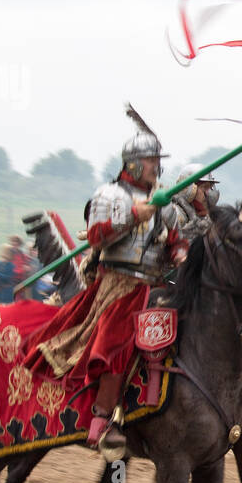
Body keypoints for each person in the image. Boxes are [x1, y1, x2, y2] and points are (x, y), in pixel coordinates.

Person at [22, 128, 186, 451]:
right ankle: (102, 420)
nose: (156, 166)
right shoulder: (110, 196)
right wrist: (134, 214)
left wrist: (181, 254)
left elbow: (177, 240)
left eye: (157, 160)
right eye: (151, 160)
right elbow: (98, 237)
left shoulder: (164, 200)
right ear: (134, 164)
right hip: (119, 285)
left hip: (156, 283)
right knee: (116, 345)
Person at [168, 163, 220, 242]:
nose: (208, 193)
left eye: (210, 188)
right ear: (189, 188)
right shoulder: (174, 214)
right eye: (205, 187)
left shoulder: (209, 219)